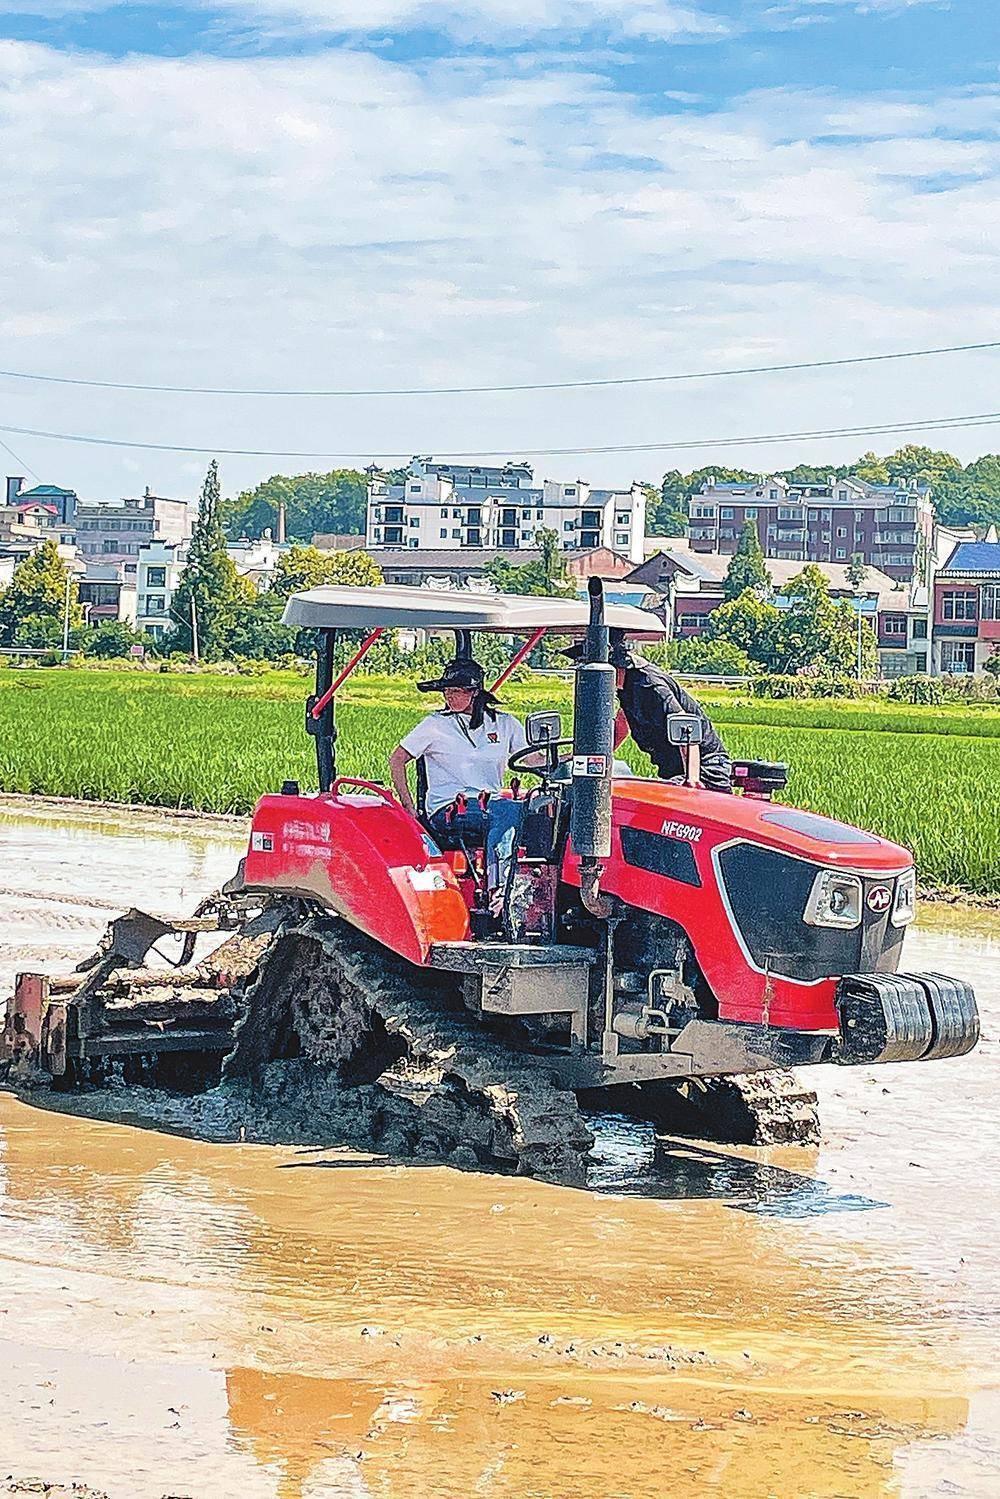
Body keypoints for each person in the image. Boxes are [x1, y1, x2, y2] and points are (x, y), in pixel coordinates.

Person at [388, 658, 528, 886]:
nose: (448, 696)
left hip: (488, 805)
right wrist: (409, 807)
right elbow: (397, 760)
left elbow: (531, 759)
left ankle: (534, 886)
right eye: (446, 691)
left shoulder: (504, 723)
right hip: (449, 809)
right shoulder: (435, 724)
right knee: (506, 810)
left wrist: (571, 756)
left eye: (455, 691)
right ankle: (501, 888)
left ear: (474, 692)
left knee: (539, 815)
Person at [565, 631, 732, 792]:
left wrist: (693, 779)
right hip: (673, 771)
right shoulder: (626, 689)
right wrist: (587, 757)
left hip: (705, 769)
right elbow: (621, 727)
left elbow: (685, 726)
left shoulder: (650, 686)